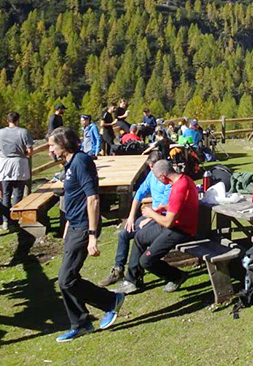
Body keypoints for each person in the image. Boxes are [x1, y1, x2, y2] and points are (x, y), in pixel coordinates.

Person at [47, 127, 124, 341]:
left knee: (66, 279)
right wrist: (67, 225)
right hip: (74, 226)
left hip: (83, 227)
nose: (50, 151)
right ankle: (80, 323)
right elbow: (75, 197)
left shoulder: (81, 161)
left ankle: (110, 301)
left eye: (52, 146)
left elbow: (93, 198)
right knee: (67, 277)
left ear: (63, 144)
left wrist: (92, 236)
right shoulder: (70, 164)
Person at [114, 160, 198, 294]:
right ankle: (132, 281)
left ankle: (177, 276)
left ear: (162, 177)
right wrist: (163, 208)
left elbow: (168, 222)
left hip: (180, 230)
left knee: (146, 261)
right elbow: (180, 207)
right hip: (174, 224)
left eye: (157, 178)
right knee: (140, 236)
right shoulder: (183, 179)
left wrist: (151, 214)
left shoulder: (178, 188)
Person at [99, 151, 172, 287]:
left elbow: (165, 205)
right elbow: (139, 194)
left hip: (160, 217)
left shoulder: (168, 181)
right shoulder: (152, 175)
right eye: (150, 167)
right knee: (124, 234)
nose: (151, 170)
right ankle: (118, 269)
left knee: (140, 236)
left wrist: (149, 218)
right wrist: (131, 216)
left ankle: (135, 276)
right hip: (150, 215)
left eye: (153, 167)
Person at [0, 112, 33, 229]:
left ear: (7, 120)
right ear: (18, 120)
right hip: (19, 163)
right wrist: (25, 155)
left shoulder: (0, 132)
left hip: (4, 163)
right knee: (18, 193)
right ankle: (15, 220)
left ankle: (5, 221)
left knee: (6, 193)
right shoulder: (23, 132)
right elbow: (30, 150)